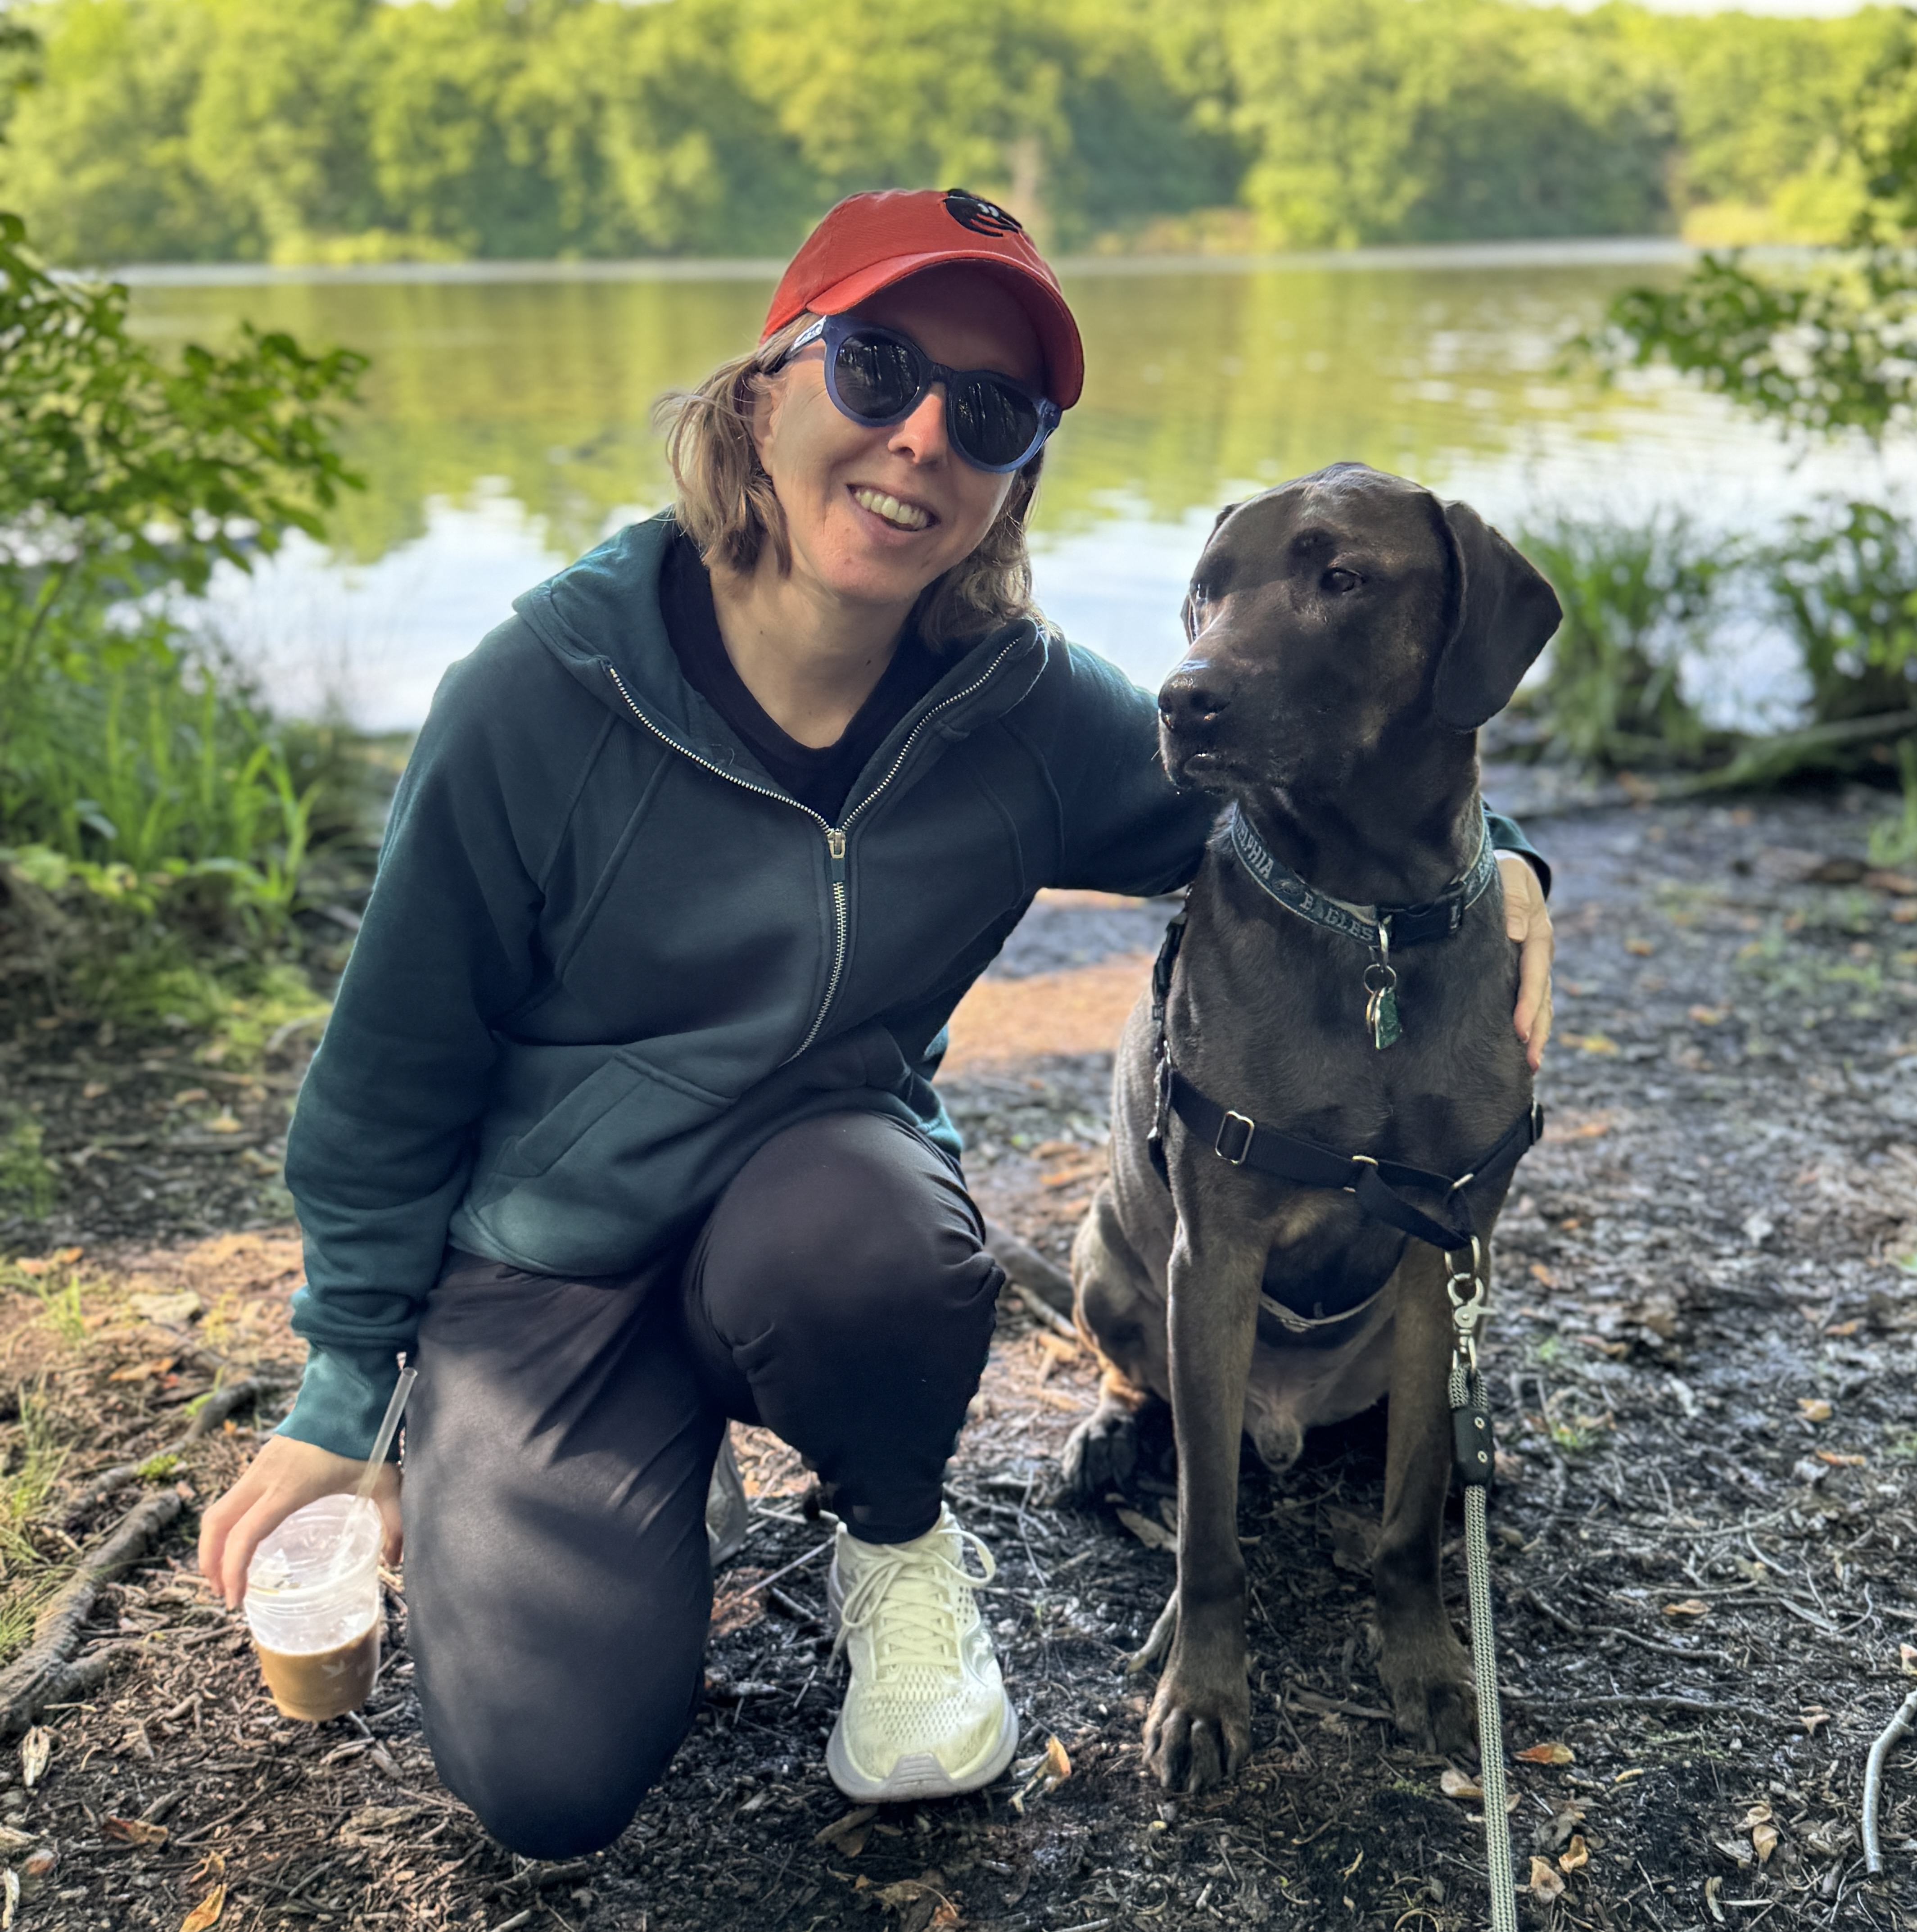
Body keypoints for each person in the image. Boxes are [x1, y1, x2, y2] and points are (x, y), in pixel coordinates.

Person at [197, 188, 1556, 1856]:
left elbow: (1280, 827)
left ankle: (894, 1542)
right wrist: (343, 1387)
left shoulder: (1025, 712)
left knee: (885, 1234)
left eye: (986, 413)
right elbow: (387, 1072)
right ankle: (634, 1455)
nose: (920, 434)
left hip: (817, 1223)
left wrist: (1502, 873)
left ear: (1011, 480)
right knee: (545, 1779)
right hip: (545, 1261)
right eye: (876, 363)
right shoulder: (546, 689)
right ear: (764, 386)